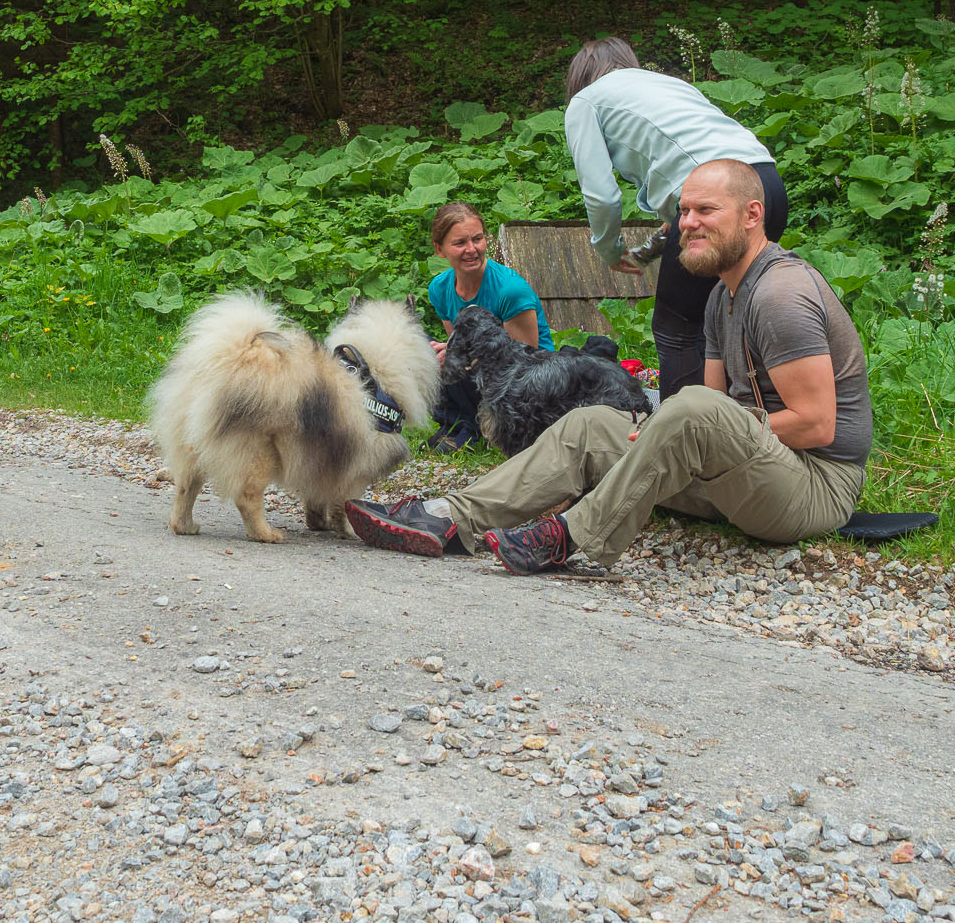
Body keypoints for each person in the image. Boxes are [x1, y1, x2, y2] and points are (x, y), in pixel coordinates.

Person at [348, 159, 868, 572]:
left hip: (812, 485)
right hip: (740, 477)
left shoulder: (779, 293)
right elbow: (722, 411)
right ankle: (448, 519)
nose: (687, 224)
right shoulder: (719, 298)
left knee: (687, 410)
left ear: (753, 215)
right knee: (589, 423)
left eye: (706, 210)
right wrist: (672, 431)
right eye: (683, 211)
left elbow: (817, 425)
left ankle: (571, 537)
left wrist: (679, 426)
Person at [563, 37, 790, 399]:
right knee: (732, 316)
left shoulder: (585, 101)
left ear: (579, 77)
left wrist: (609, 249)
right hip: (766, 185)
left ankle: (681, 441)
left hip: (712, 192)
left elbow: (601, 194)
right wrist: (675, 218)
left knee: (678, 327)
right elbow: (692, 148)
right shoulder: (665, 83)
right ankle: (745, 425)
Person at [423, 202, 553, 451]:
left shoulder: (510, 290)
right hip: (484, 375)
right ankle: (459, 425)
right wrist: (446, 354)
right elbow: (461, 344)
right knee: (422, 348)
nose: (471, 249)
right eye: (460, 243)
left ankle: (477, 430)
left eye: (478, 239)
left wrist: (455, 357)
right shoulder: (439, 288)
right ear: (440, 250)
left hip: (529, 383)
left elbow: (522, 366)